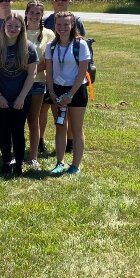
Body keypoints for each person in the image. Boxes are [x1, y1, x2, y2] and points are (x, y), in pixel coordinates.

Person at [0, 13, 38, 175]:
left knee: (18, 130)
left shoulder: (28, 47)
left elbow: (32, 75)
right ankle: (6, 162)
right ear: (3, 27)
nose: (13, 29)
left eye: (17, 26)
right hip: (1, 96)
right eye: (9, 25)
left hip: (21, 97)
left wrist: (22, 97)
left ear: (22, 28)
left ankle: (19, 165)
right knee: (4, 129)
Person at [43, 0, 87, 155]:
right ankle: (54, 151)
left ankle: (72, 147)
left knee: (75, 122)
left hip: (75, 83)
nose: (60, 2)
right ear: (52, 1)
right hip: (54, 82)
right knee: (58, 120)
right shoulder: (46, 22)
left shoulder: (78, 24)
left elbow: (84, 51)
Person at [46, 11, 90, 175]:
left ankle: (75, 165)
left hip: (77, 90)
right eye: (59, 24)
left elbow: (82, 72)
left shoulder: (80, 45)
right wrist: (51, 92)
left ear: (72, 26)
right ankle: (60, 162)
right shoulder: (51, 46)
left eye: (66, 24)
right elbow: (49, 72)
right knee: (60, 127)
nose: (62, 28)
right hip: (57, 91)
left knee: (76, 129)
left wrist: (70, 94)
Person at [25, 0, 55, 167]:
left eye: (38, 13)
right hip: (19, 83)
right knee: (18, 119)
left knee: (33, 120)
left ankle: (33, 156)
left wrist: (34, 70)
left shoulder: (49, 34)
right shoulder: (19, 31)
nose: (35, 16)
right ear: (27, 13)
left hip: (38, 82)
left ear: (42, 15)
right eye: (32, 12)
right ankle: (17, 151)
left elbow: (48, 60)